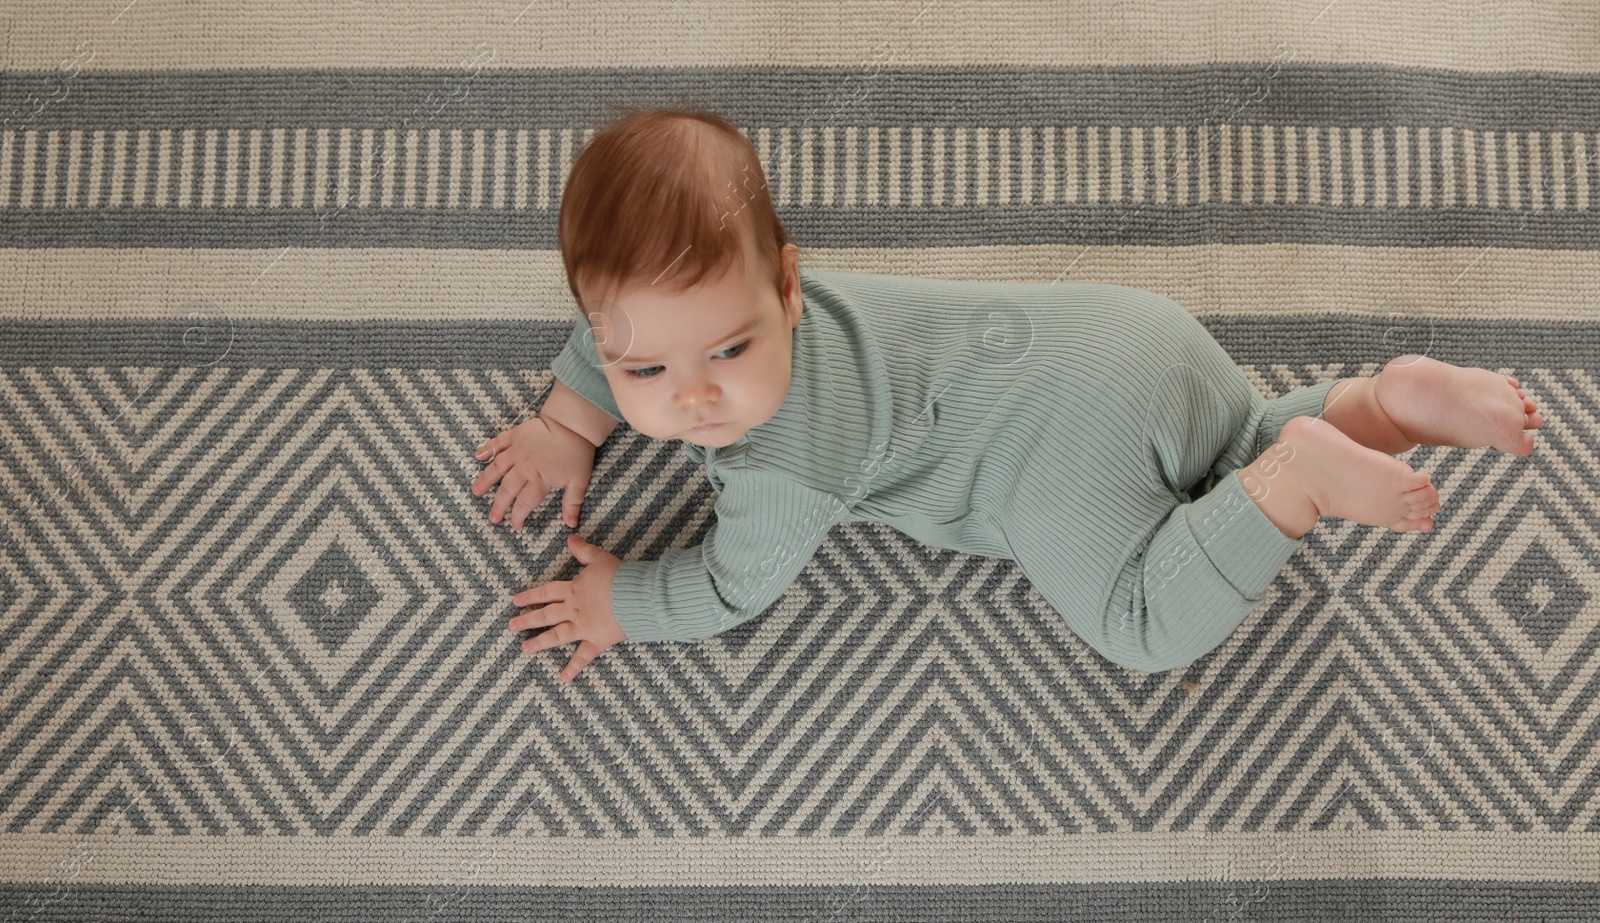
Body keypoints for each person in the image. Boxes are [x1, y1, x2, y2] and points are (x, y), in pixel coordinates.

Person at [472, 105, 1543, 681]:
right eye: (642, 373)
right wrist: (571, 418)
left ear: (786, 286)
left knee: (1137, 619)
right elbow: (613, 316)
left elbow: (728, 584)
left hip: (1055, 446)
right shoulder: (741, 287)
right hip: (1135, 336)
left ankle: (1300, 479)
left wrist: (622, 601)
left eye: (727, 353)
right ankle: (1384, 402)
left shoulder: (781, 463)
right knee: (1230, 439)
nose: (695, 400)